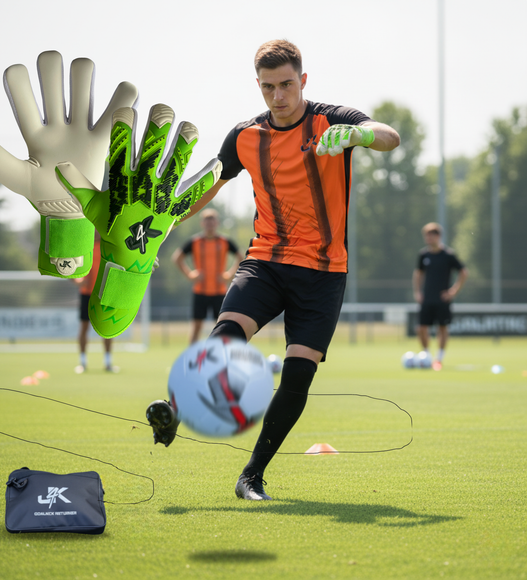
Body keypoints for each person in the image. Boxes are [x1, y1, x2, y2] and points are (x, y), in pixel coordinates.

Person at [146, 39, 400, 500]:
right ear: (258, 86)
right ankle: (176, 407)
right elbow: (208, 186)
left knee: (298, 374)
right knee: (227, 334)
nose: (278, 96)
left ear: (303, 80)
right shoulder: (244, 135)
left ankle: (252, 476)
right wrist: (161, 224)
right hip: (265, 261)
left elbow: (388, 136)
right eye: (268, 87)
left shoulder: (332, 120)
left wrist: (360, 136)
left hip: (324, 272)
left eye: (286, 85)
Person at [172, 208, 243, 344]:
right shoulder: (195, 241)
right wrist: (189, 274)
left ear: (217, 223)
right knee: (196, 327)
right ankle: (191, 356)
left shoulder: (224, 241)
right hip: (200, 291)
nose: (210, 224)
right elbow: (177, 258)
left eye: (212, 221)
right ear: (202, 223)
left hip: (220, 291)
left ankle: (222, 354)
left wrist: (230, 274)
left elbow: (240, 257)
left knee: (222, 327)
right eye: (207, 221)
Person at [412, 222, 468, 371]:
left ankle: (439, 359)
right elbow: (418, 273)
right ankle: (426, 356)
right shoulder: (424, 255)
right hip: (427, 298)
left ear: (438, 236)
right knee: (421, 328)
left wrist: (453, 291)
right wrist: (417, 292)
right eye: (426, 236)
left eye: (430, 236)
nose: (428, 239)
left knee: (442, 328)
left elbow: (463, 272)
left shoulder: (448, 255)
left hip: (442, 299)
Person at [73, 230, 118, 374]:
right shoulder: (83, 247)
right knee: (84, 328)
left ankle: (108, 363)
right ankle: (82, 363)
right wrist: (78, 281)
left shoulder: (108, 246)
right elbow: (70, 268)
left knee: (106, 329)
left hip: (104, 293)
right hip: (87, 294)